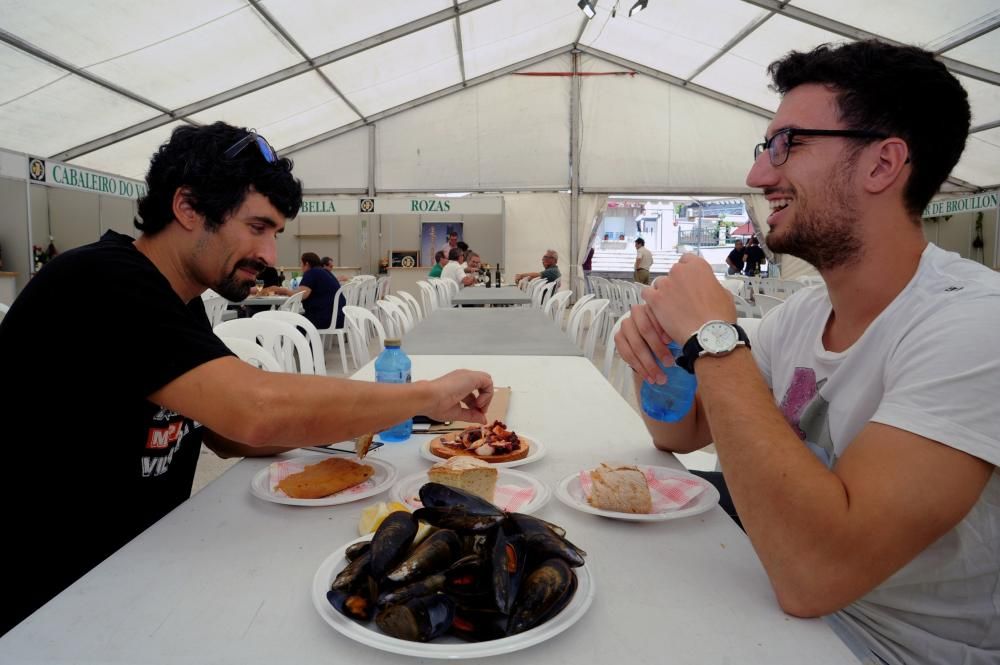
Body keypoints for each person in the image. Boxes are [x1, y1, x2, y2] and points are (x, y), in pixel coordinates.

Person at [0, 122, 494, 636]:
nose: (269, 255)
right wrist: (426, 395)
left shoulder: (180, 303)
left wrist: (373, 423)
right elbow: (254, 414)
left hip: (141, 570)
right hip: (49, 607)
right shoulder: (101, 282)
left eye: (275, 233)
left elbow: (227, 434)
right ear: (188, 208)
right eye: (257, 227)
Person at [615, 41, 998, 665]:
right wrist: (659, 349)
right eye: (765, 148)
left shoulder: (976, 326)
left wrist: (714, 341)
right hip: (772, 599)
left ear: (882, 165)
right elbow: (678, 433)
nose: (760, 175)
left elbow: (816, 575)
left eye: (787, 144)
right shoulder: (802, 314)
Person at [269, 252, 345, 330]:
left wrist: (283, 290)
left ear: (307, 264)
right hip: (339, 317)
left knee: (290, 323)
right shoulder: (325, 272)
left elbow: (301, 295)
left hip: (325, 318)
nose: (301, 267)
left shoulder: (311, 273)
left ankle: (293, 342)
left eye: (301, 264)